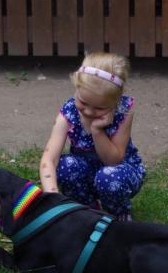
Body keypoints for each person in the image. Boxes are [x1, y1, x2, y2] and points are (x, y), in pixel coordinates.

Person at [39, 52, 146, 221]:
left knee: (108, 176)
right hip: (85, 170)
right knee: (66, 166)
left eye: (99, 108)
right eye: (83, 102)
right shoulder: (69, 111)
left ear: (115, 101)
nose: (89, 111)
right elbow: (49, 159)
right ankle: (86, 214)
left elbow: (113, 161)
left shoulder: (124, 111)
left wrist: (97, 131)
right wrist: (52, 198)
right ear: (76, 88)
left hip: (119, 171)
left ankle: (118, 218)